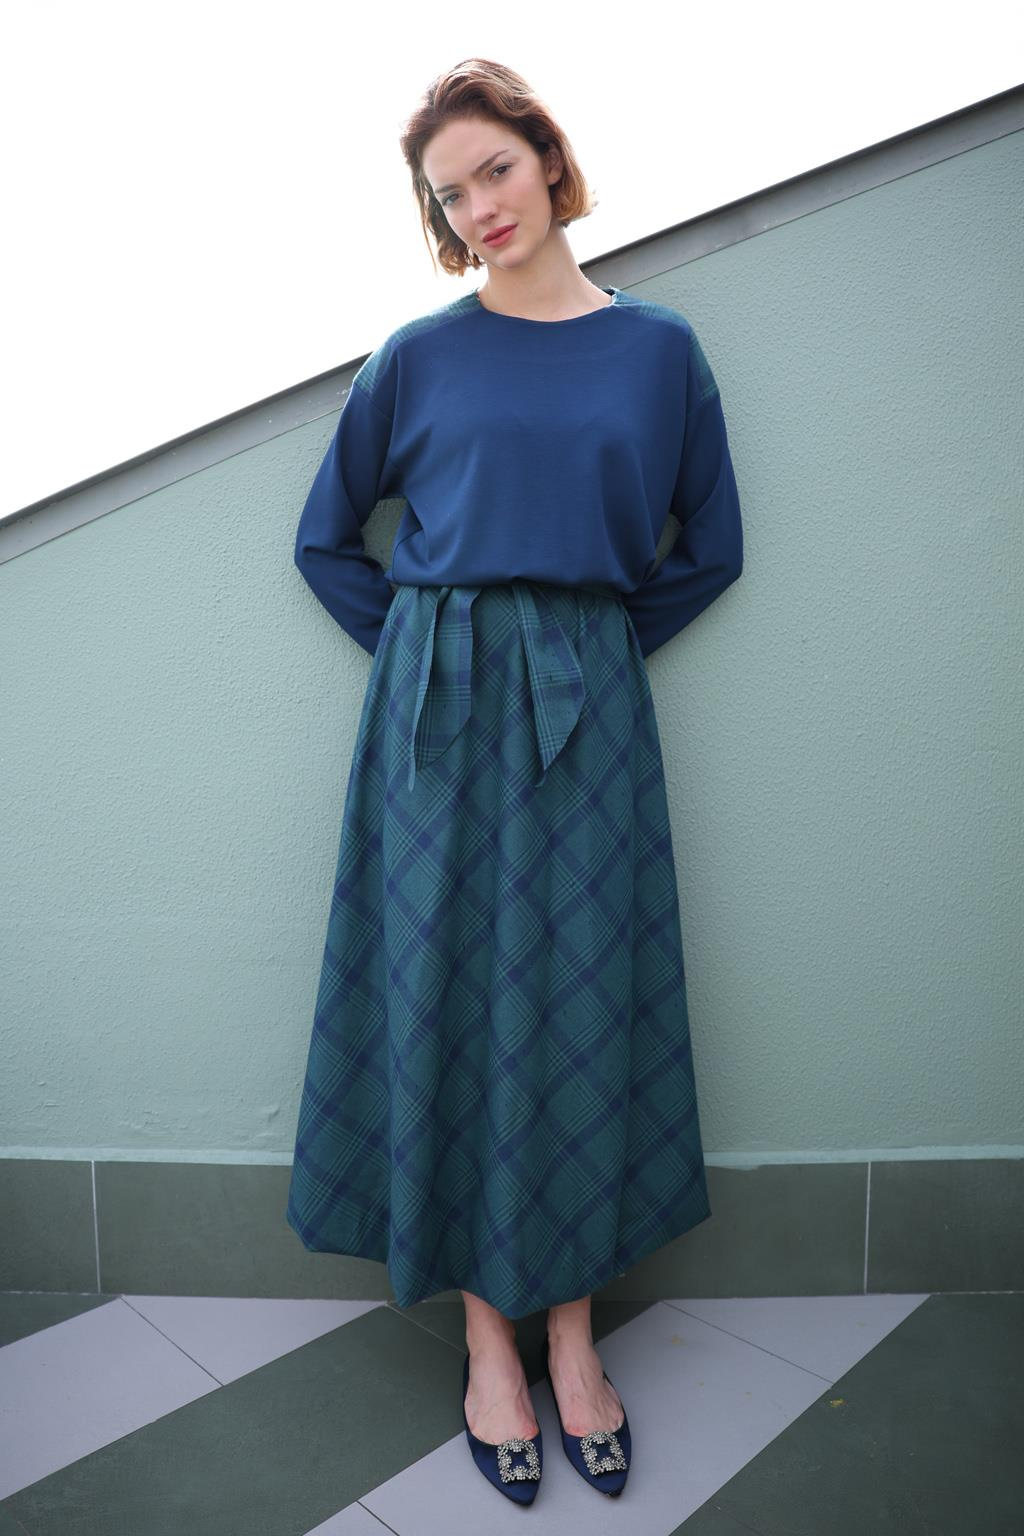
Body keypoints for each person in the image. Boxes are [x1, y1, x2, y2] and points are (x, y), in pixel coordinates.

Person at [285, 57, 743, 1503]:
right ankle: (490, 1342)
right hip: (434, 716)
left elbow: (711, 547)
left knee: (578, 995)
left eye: (494, 169)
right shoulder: (417, 357)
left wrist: (588, 659)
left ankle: (573, 1333)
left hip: (586, 710)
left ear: (546, 158)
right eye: (448, 194)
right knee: (450, 990)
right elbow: (325, 540)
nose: (478, 206)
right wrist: (424, 657)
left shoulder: (660, 351)